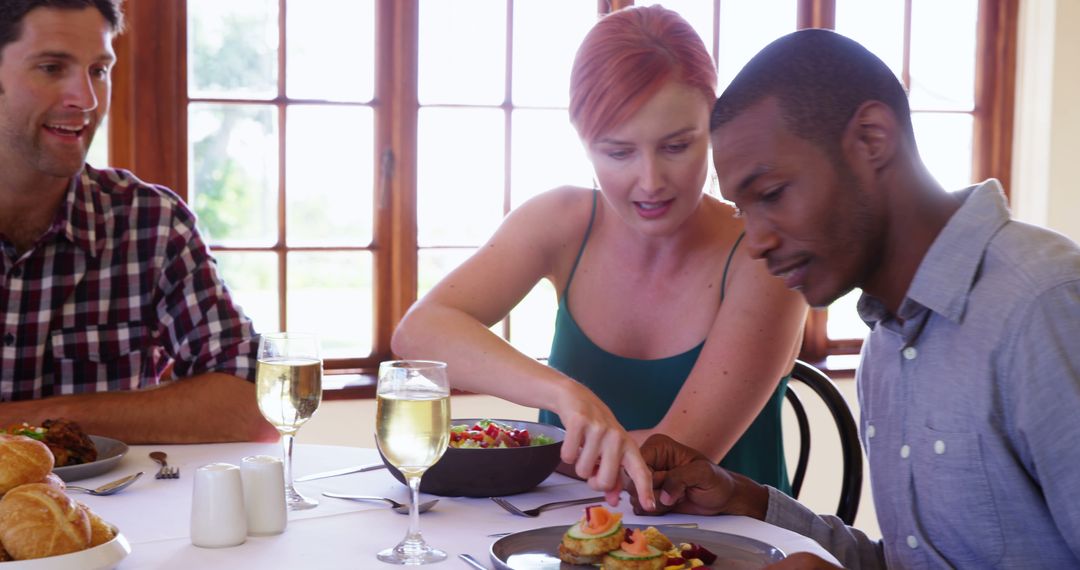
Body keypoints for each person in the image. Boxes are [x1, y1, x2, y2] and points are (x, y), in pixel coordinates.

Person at [630, 28, 1080, 569]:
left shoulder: (1044, 306)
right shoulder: (885, 350)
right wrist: (742, 499)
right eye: (743, 210)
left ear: (871, 139)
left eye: (772, 194)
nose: (756, 242)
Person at [392, 5, 806, 508]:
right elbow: (419, 333)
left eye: (677, 146)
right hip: (566, 541)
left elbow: (656, 471)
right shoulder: (562, 220)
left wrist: (538, 447)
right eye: (617, 152)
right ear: (583, 141)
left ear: (712, 126)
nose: (651, 180)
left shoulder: (762, 255)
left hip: (730, 551)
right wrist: (564, 395)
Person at [0, 0, 277, 444]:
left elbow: (252, 406)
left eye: (99, 70)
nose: (86, 99)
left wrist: (31, 419)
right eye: (52, 68)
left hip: (110, 515)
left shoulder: (151, 224)